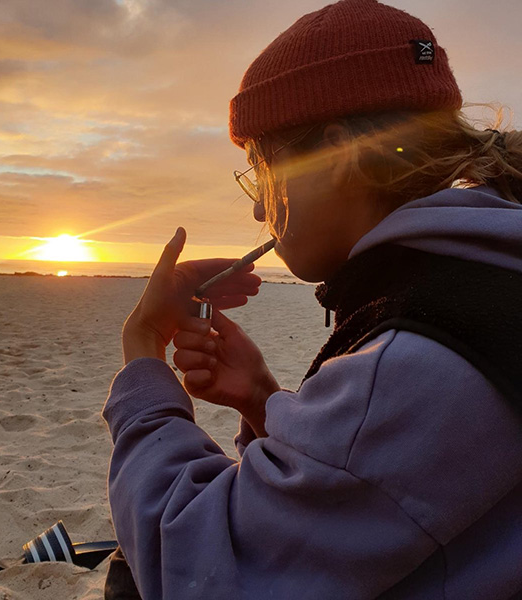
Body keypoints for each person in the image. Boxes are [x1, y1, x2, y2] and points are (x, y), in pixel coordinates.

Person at [102, 0, 522, 598]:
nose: (256, 206)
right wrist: (261, 399)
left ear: (337, 154)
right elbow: (384, 494)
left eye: (260, 169)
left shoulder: (419, 358)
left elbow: (193, 566)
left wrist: (142, 350)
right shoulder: (485, 270)